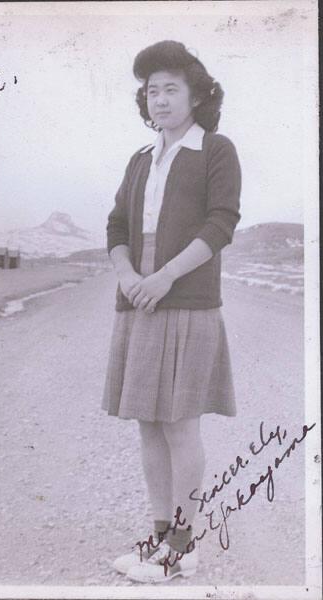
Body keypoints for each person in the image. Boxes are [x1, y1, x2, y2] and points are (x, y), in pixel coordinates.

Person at [101, 40, 241, 583]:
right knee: (148, 426)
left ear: (196, 93)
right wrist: (129, 276)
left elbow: (221, 224)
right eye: (151, 91)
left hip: (186, 301)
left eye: (170, 89)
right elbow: (116, 226)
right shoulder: (140, 159)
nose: (159, 100)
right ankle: (160, 542)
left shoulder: (216, 149)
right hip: (139, 304)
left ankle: (184, 550)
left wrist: (163, 276)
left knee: (180, 426)